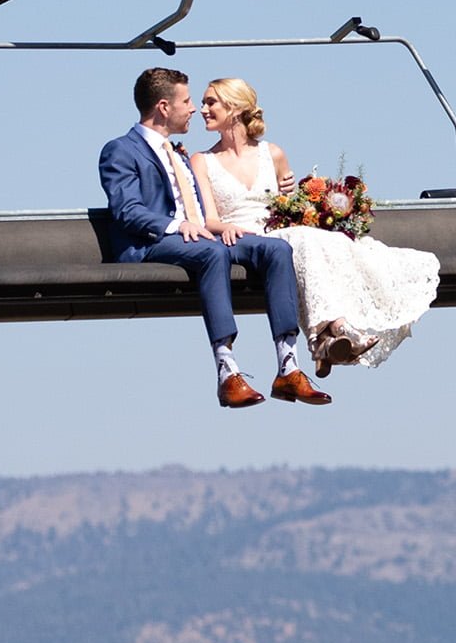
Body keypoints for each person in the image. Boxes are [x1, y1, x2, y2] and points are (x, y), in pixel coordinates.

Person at [99, 67, 332, 410]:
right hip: (155, 242)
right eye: (187, 101)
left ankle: (288, 366)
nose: (194, 108)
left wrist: (229, 222)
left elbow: (208, 203)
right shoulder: (121, 150)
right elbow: (127, 211)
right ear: (164, 107)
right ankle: (227, 371)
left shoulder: (178, 153)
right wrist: (178, 226)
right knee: (213, 254)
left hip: (204, 237)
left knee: (277, 249)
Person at [190, 78, 439, 377]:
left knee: (324, 242)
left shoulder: (273, 153)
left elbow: (287, 207)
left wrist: (296, 198)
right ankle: (335, 330)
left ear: (234, 107)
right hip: (243, 239)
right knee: (305, 242)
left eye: (211, 102)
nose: (203, 110)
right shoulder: (202, 160)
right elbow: (208, 218)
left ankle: (327, 338)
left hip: (278, 233)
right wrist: (226, 226)